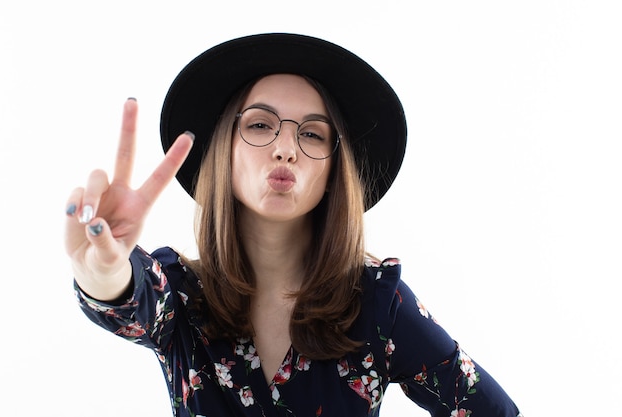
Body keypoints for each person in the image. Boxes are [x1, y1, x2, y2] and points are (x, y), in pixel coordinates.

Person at [65, 33, 522, 417]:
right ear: (224, 152)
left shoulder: (377, 305)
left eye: (311, 133)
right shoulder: (182, 295)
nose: (286, 148)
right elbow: (129, 298)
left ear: (333, 173)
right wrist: (101, 271)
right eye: (261, 126)